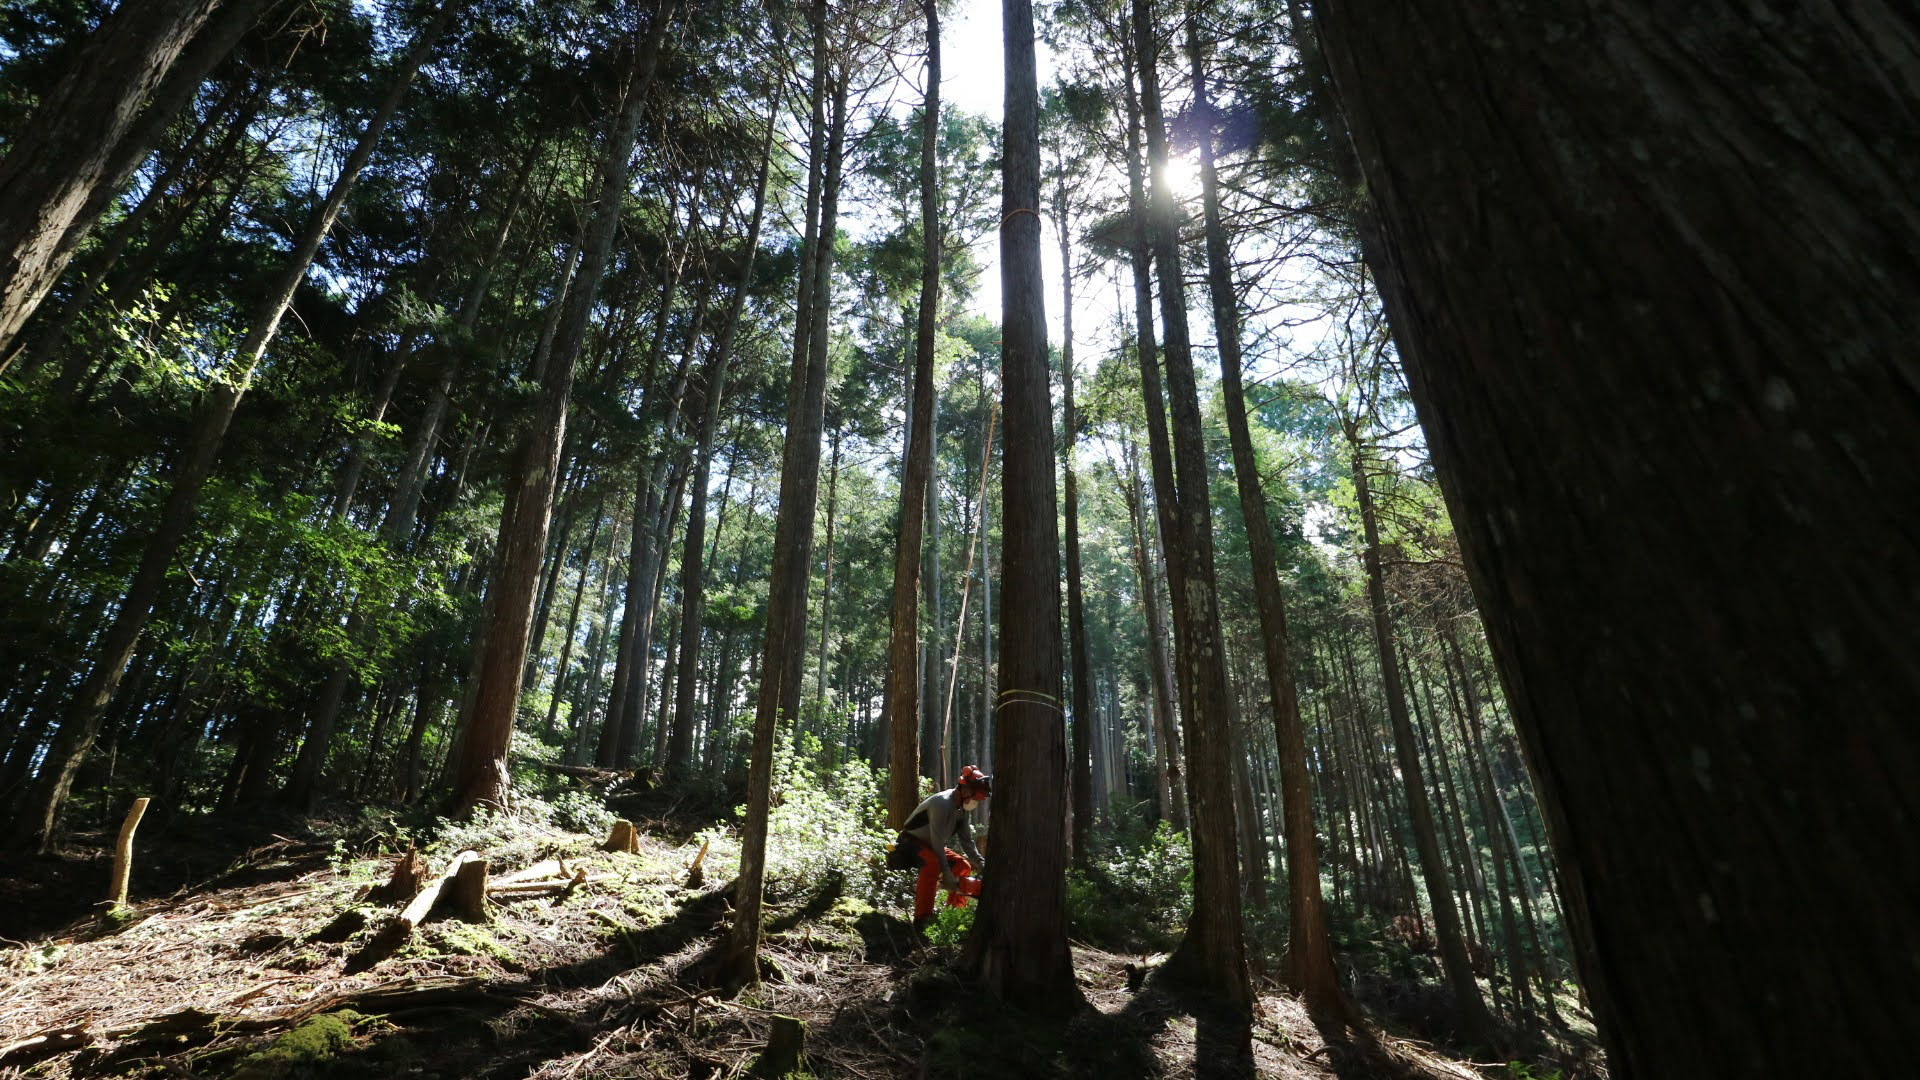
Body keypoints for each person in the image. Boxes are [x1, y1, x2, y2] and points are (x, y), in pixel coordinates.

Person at [893, 765, 990, 930]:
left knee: (962, 866)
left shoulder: (961, 811)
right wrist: (946, 872)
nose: (975, 802)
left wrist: (980, 862)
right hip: (911, 843)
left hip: (932, 845)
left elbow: (966, 841)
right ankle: (922, 919)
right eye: (976, 798)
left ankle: (953, 914)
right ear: (965, 791)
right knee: (932, 864)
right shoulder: (942, 804)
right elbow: (937, 842)